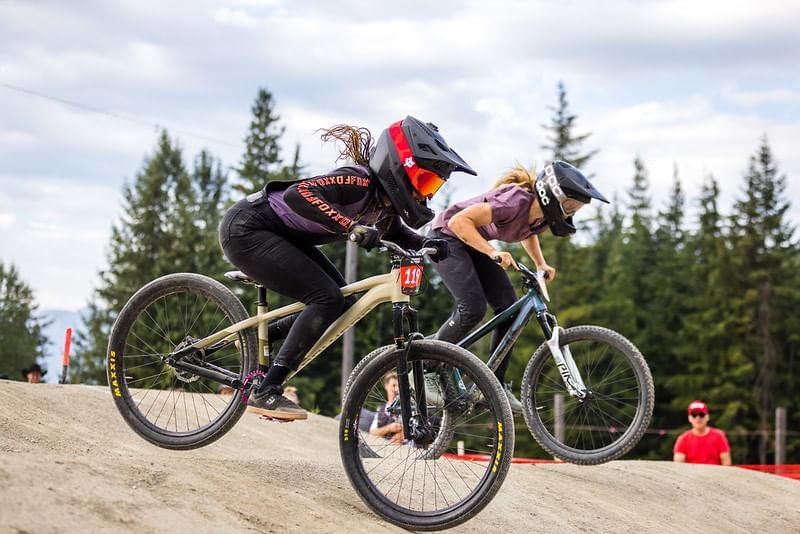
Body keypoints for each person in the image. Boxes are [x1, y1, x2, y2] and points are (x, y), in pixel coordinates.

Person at [219, 116, 475, 421]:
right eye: (424, 181)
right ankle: (267, 390)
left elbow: (396, 234)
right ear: (399, 168)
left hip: (281, 236)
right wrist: (351, 226)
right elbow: (296, 195)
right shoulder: (359, 181)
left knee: (343, 303)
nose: (427, 194)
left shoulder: (382, 204)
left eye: (433, 185)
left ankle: (255, 338)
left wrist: (427, 243)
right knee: (326, 298)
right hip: (248, 228)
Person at [429, 161, 608, 413]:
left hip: (472, 243)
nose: (570, 213)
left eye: (575, 209)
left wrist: (540, 264)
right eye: (570, 206)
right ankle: (428, 368)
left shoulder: (542, 218)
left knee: (509, 310)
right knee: (472, 309)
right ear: (552, 195)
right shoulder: (514, 201)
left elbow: (527, 232)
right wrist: (492, 251)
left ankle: (493, 385)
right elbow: (459, 222)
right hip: (446, 237)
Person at [673, 400, 732, 466]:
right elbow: (678, 465)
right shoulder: (683, 439)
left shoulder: (719, 436)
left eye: (701, 415)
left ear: (707, 417)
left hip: (714, 475)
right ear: (689, 418)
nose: (698, 418)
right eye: (694, 415)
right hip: (691, 475)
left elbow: (726, 463)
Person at [370, 371, 404, 443]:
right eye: (394, 385)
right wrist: (390, 428)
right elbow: (372, 432)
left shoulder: (407, 408)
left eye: (399, 386)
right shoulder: (380, 409)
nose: (397, 389)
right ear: (386, 386)